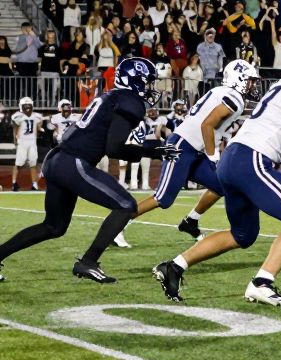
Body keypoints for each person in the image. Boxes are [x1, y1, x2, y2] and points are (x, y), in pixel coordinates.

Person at [152, 43, 281, 306]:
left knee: (243, 234)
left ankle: (174, 266)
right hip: (252, 159)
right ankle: (261, 283)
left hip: (233, 159)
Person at [0, 59, 179, 284]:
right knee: (126, 205)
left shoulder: (109, 96)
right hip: (73, 162)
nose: (151, 88)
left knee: (53, 226)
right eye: (148, 82)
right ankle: (88, 261)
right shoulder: (129, 101)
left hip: (57, 159)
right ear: (136, 81)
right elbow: (114, 148)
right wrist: (155, 150)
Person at [128, 61, 260, 245]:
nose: (253, 85)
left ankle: (191, 220)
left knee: (222, 185)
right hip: (182, 146)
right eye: (250, 81)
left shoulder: (221, 92)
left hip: (194, 149)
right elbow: (207, 124)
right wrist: (214, 158)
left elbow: (210, 127)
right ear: (238, 79)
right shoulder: (234, 97)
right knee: (163, 198)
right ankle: (121, 221)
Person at [10, 98, 44, 191]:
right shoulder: (17, 116)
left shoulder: (37, 116)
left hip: (32, 142)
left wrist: (39, 127)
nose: (27, 108)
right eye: (25, 106)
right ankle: (14, 183)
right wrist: (15, 140)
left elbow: (38, 126)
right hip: (22, 142)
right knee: (18, 164)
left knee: (33, 164)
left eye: (29, 106)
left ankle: (34, 185)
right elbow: (15, 129)